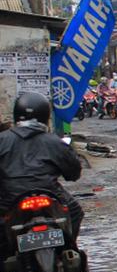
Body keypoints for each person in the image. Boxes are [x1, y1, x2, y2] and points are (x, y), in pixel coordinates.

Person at [0, 93, 84, 239]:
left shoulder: (2, 140)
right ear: (45, 116)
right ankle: (70, 247)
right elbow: (73, 173)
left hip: (9, 198)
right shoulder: (55, 142)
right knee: (75, 211)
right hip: (49, 193)